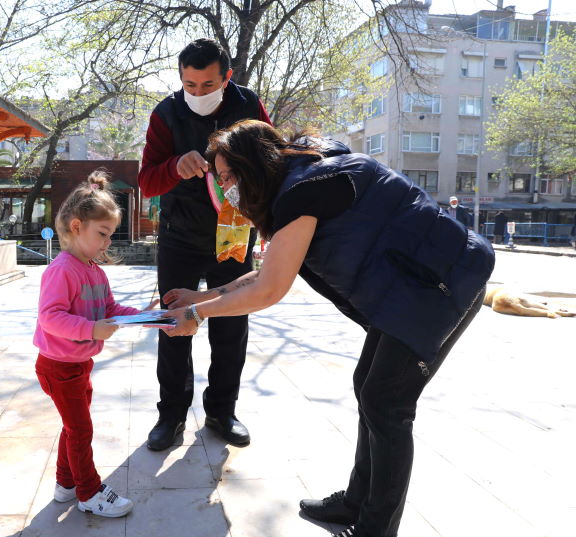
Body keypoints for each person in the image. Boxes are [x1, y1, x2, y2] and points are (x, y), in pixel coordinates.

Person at [160, 120, 495, 537]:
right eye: (221, 179)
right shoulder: (301, 177)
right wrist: (198, 298)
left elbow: (269, 290)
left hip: (444, 282)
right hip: (411, 288)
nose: (226, 188)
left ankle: (376, 528)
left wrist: (197, 317)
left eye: (229, 176)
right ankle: (356, 503)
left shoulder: (304, 191)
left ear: (254, 164)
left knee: (386, 405)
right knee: (369, 389)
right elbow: (270, 272)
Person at [137, 38, 272, 451]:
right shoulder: (166, 113)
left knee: (232, 327)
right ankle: (171, 415)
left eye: (207, 84)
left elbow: (273, 163)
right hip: (180, 235)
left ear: (227, 77)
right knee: (173, 325)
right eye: (189, 85)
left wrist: (267, 219)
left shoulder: (249, 106)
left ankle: (222, 411)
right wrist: (175, 166)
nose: (197, 93)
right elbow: (146, 180)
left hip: (234, 235)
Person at [33, 172, 158, 518]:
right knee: (81, 429)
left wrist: (146, 316)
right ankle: (88, 492)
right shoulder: (62, 270)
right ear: (76, 226)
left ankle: (65, 484)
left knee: (73, 426)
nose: (107, 243)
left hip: (78, 365)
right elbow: (50, 317)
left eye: (110, 235)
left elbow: (111, 310)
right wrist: (91, 329)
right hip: (58, 367)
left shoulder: (94, 272)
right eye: (102, 234)